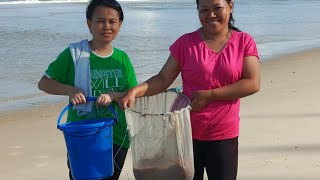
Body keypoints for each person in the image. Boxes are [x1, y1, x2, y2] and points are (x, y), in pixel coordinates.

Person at [120, 0, 260, 179]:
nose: (211, 15)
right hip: (184, 133)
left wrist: (210, 95)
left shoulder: (244, 41)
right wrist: (135, 91)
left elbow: (253, 82)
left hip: (224, 133)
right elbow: (162, 79)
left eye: (217, 8)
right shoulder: (186, 43)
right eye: (204, 10)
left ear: (230, 6)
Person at [38, 0, 137, 179]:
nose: (106, 26)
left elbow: (131, 94)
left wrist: (113, 96)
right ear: (89, 23)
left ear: (120, 24)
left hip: (116, 135)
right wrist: (70, 90)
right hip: (83, 135)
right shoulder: (74, 54)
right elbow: (44, 83)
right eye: (100, 21)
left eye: (112, 21)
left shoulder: (122, 59)